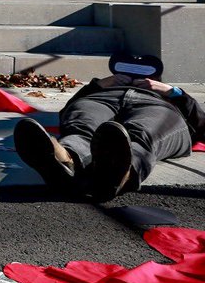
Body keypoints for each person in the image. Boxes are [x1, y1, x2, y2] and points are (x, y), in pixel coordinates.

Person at [14, 73, 203, 202]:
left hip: (158, 106)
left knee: (144, 133)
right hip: (102, 99)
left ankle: (120, 172)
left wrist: (173, 91)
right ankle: (65, 159)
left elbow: (201, 123)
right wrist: (100, 84)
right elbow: (68, 110)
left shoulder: (169, 95)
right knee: (82, 126)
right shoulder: (101, 87)